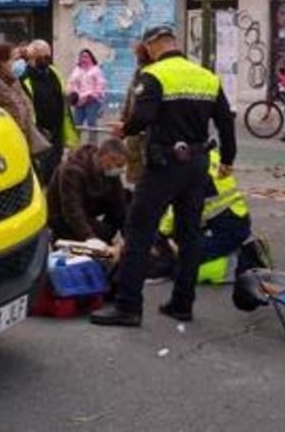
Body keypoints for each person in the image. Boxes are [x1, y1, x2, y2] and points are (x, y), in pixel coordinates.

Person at [91, 25, 237, 327]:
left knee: (139, 232)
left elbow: (143, 117)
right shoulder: (206, 76)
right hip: (198, 164)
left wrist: (125, 128)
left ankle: (128, 307)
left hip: (164, 164)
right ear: (174, 42)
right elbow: (225, 121)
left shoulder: (155, 74)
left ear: (152, 45)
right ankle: (182, 304)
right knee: (190, 235)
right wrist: (227, 159)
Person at [150, 148, 269, 286]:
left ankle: (243, 263)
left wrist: (160, 234)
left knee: (180, 271)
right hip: (232, 219)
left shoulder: (186, 166)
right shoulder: (207, 153)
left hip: (227, 227)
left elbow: (176, 208)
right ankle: (235, 249)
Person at [0, 43, 50, 164]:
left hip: (21, 142)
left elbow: (24, 105)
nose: (18, 63)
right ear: (2, 62)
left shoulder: (13, 81)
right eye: (14, 59)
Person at [46, 139, 130, 244]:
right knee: (102, 233)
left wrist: (130, 237)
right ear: (108, 158)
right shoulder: (72, 171)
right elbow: (72, 210)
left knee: (127, 200)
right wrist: (90, 238)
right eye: (119, 165)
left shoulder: (109, 171)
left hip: (87, 210)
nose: (119, 170)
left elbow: (119, 204)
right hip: (62, 216)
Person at [20, 39, 80, 186]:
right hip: (39, 134)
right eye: (42, 57)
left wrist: (70, 98)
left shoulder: (53, 72)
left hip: (57, 131)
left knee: (55, 171)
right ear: (32, 58)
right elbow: (25, 107)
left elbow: (62, 92)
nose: (46, 60)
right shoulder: (24, 79)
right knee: (41, 173)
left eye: (48, 56)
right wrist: (36, 129)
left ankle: (52, 200)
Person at [120, 41, 155, 188]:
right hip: (135, 131)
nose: (137, 58)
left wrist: (125, 124)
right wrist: (123, 122)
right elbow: (130, 99)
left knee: (147, 172)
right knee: (137, 170)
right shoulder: (139, 73)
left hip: (147, 132)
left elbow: (133, 102)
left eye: (138, 54)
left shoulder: (152, 75)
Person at [67, 48, 108, 130]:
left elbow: (101, 85)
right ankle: (75, 142)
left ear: (91, 58)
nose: (83, 59)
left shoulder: (96, 70)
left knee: (91, 123)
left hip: (92, 100)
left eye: (86, 57)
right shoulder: (77, 70)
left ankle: (92, 141)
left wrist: (94, 95)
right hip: (79, 100)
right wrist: (73, 95)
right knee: (77, 123)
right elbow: (71, 83)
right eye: (82, 57)